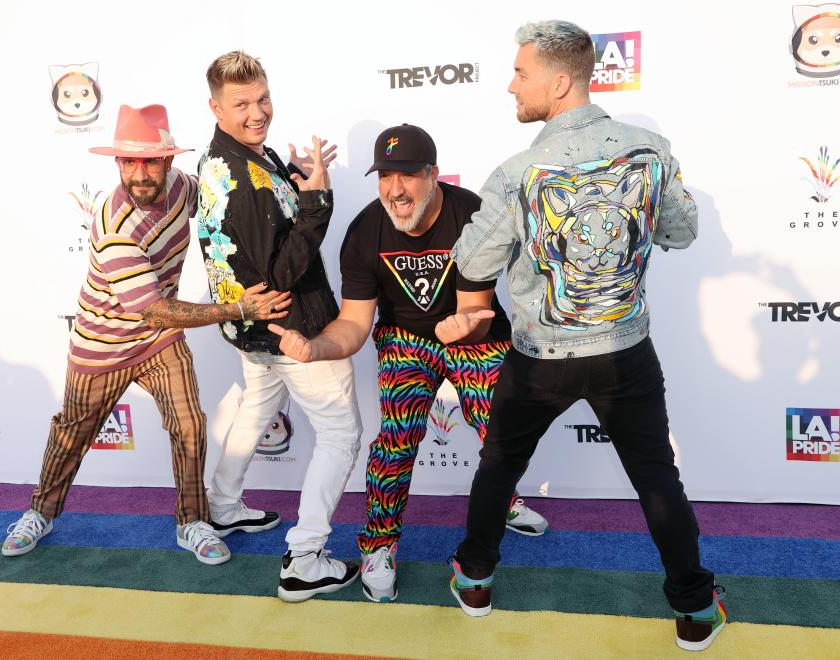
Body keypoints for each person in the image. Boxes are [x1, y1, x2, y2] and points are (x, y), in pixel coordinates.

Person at [438, 21, 726, 652]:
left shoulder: (517, 172)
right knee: (656, 476)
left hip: (541, 359)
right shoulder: (649, 149)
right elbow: (681, 233)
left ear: (560, 81)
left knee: (499, 466)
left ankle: (476, 579)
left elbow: (474, 262)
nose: (510, 85)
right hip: (624, 350)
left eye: (521, 73)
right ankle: (696, 608)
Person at [269, 124, 549, 604]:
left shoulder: (471, 215)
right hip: (404, 339)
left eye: (408, 176)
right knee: (395, 442)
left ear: (433, 175)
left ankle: (503, 499)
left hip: (473, 333)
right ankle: (378, 546)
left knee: (498, 430)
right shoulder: (363, 231)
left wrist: (466, 329)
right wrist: (315, 347)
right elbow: (355, 324)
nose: (395, 190)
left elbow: (473, 311)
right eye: (385, 177)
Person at [0, 104, 290, 565]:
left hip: (158, 342)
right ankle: (40, 512)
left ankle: (193, 522)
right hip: (105, 344)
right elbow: (154, 311)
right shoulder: (114, 224)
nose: (139, 173)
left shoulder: (182, 188)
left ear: (169, 161)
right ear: (117, 164)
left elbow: (228, 204)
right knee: (72, 434)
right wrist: (238, 307)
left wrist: (291, 177)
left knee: (190, 424)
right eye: (128, 162)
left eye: (150, 161)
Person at [196, 51, 363, 602]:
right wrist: (315, 200)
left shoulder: (230, 158)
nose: (257, 112)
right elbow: (282, 274)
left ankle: (221, 505)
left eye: (262, 98)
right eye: (241, 104)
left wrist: (291, 177)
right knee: (340, 434)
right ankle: (306, 558)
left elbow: (257, 235)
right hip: (293, 329)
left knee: (257, 406)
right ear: (216, 107)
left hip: (252, 333)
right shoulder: (246, 178)